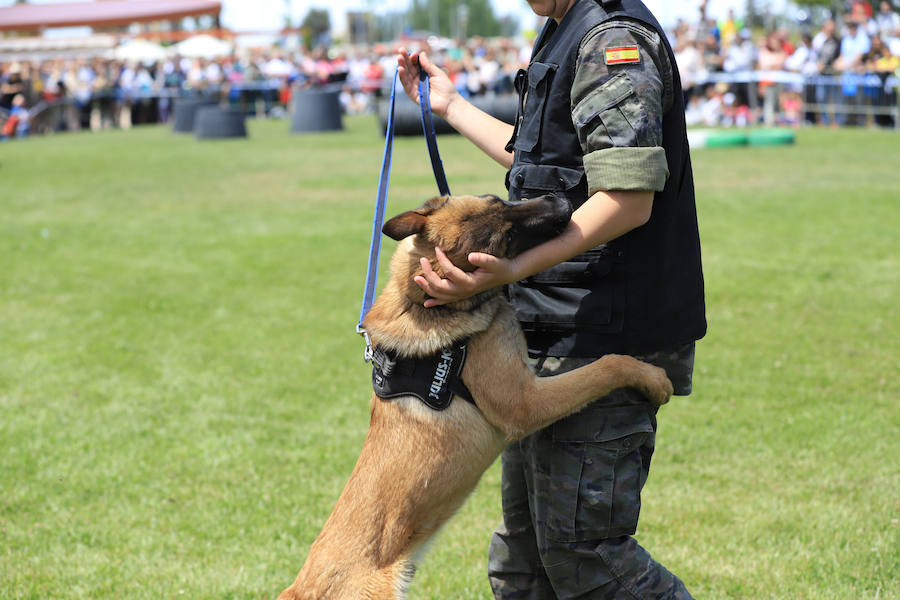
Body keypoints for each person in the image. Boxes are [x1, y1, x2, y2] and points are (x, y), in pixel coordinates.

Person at [397, 0, 706, 597]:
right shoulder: (562, 31)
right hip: (549, 329)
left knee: (586, 560)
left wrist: (507, 268)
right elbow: (545, 165)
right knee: (526, 564)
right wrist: (452, 106)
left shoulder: (612, 37)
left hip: (605, 331)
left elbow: (626, 198)